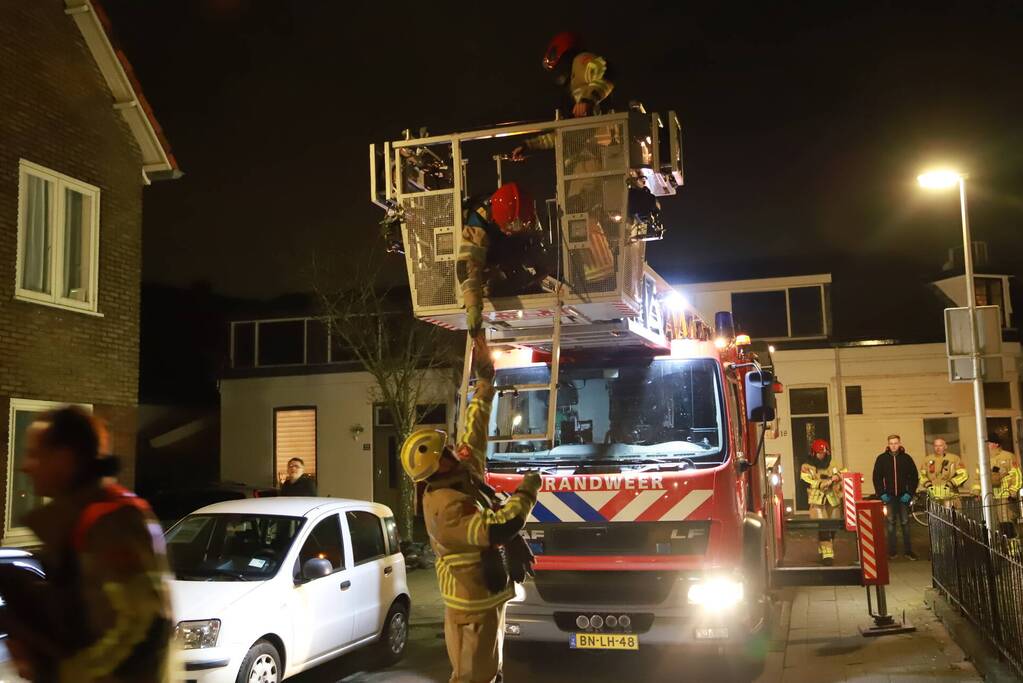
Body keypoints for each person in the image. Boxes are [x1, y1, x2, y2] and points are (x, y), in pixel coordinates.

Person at [400, 336, 541, 683]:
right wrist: (528, 489)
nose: (453, 452)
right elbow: (499, 526)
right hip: (471, 606)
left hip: (486, 595)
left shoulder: (460, 477)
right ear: (436, 469)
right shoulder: (445, 507)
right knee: (473, 675)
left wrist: (484, 385)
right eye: (445, 453)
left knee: (489, 669)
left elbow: (474, 433)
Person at [0, 406, 172, 682]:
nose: (25, 466)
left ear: (64, 459)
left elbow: (140, 628)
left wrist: (65, 673)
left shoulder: (113, 520)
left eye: (35, 454)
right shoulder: (79, 520)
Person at [456, 182, 552, 335]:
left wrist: (542, 269)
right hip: (489, 263)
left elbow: (536, 243)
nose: (509, 232)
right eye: (509, 227)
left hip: (509, 263)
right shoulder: (478, 222)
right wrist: (473, 306)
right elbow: (468, 266)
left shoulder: (528, 216)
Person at [872, 434, 920, 560]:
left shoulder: (906, 458)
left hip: (904, 496)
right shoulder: (881, 459)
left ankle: (908, 551)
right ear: (888, 444)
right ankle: (892, 551)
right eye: (891, 443)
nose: (893, 445)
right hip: (889, 497)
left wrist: (909, 493)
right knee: (890, 524)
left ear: (899, 444)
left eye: (895, 443)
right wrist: (881, 493)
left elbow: (914, 477)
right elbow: (876, 477)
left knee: (905, 523)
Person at [800, 438, 844, 565]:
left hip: (833, 499)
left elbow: (842, 472)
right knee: (824, 526)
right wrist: (819, 483)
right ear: (814, 453)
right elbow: (805, 480)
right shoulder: (806, 466)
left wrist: (837, 476)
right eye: (819, 453)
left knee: (834, 526)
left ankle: (826, 547)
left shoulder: (833, 463)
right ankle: (827, 555)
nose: (822, 455)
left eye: (824, 453)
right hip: (817, 501)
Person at [988, 434, 1021, 538]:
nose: (987, 445)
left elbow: (1017, 475)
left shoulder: (1008, 456)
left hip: (1005, 496)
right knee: (995, 525)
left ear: (996, 444)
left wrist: (1013, 491)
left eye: (989, 443)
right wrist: (976, 492)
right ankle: (1002, 548)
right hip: (991, 496)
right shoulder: (984, 458)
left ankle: (1013, 550)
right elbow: (978, 477)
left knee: (1007, 522)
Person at [921, 438, 968, 508]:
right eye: (936, 446)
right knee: (935, 517)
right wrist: (928, 484)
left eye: (940, 445)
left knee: (952, 517)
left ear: (945, 446)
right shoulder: (927, 460)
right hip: (934, 497)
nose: (938, 448)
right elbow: (921, 475)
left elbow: (964, 474)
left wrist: (951, 483)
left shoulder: (954, 459)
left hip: (950, 496)